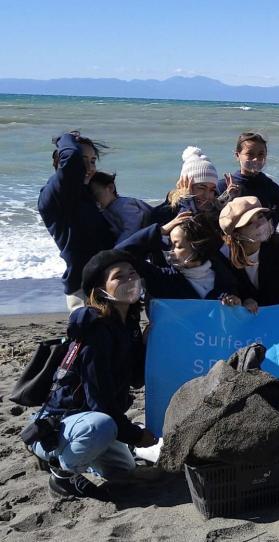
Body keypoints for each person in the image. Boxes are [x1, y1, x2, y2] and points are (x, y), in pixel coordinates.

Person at [28, 250, 157, 499]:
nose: (130, 280)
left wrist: (143, 346)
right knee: (104, 425)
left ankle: (63, 456)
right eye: (119, 277)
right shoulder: (95, 330)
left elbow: (135, 380)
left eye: (132, 273)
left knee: (123, 469)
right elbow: (100, 400)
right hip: (66, 421)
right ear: (100, 289)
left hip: (90, 421)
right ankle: (60, 475)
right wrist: (135, 435)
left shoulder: (126, 323)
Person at [38, 131, 116, 312]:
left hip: (108, 280)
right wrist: (63, 138)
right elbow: (71, 157)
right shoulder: (54, 195)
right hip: (83, 288)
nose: (90, 167)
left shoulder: (87, 194)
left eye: (93, 161)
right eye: (83, 160)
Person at [117, 213, 243, 305]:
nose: (170, 250)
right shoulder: (163, 278)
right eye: (169, 243)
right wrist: (160, 231)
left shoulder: (224, 273)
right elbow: (118, 254)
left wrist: (239, 301)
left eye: (177, 246)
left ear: (197, 246)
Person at [219, 196, 279, 309]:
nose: (260, 224)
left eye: (260, 216)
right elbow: (230, 289)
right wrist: (244, 299)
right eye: (249, 222)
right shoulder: (224, 257)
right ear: (236, 234)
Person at [216, 133, 279, 229]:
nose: (256, 159)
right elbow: (213, 223)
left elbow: (272, 227)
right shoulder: (223, 186)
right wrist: (225, 198)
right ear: (237, 155)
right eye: (250, 154)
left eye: (261, 154)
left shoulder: (273, 189)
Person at [150, 146, 223, 231]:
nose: (207, 196)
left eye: (212, 190)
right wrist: (187, 202)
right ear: (184, 184)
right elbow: (191, 234)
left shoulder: (215, 213)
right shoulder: (164, 212)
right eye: (201, 188)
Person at [88, 171, 153, 242]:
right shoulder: (107, 209)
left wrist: (118, 247)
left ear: (111, 188)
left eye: (97, 195)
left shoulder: (122, 204)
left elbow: (132, 227)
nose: (95, 199)